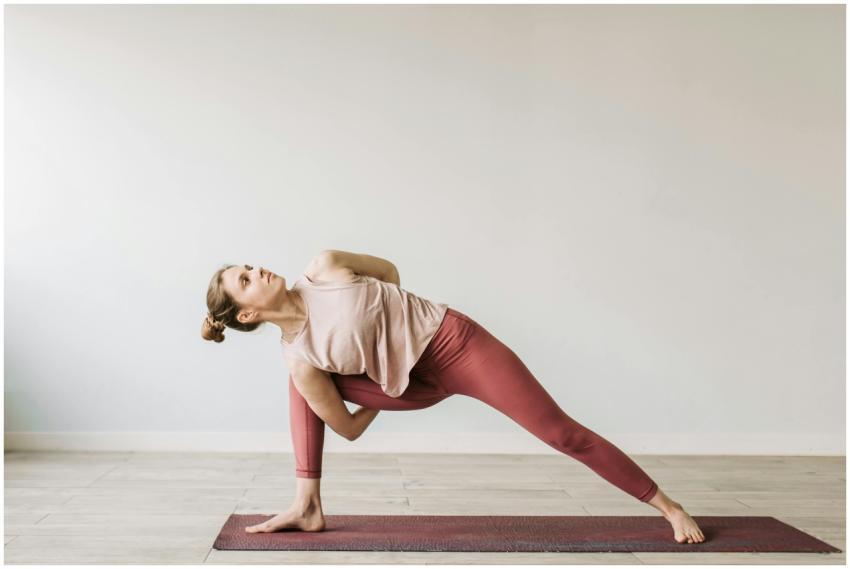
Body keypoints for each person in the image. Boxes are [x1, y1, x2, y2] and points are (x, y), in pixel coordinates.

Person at [201, 250, 705, 544]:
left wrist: (392, 338)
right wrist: (390, 380)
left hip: (455, 343)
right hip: (410, 385)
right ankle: (306, 506)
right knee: (300, 378)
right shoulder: (303, 359)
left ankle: (668, 506)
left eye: (250, 265)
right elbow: (348, 429)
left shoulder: (326, 267)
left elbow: (391, 274)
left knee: (561, 432)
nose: (258, 269)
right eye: (246, 280)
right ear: (246, 315)